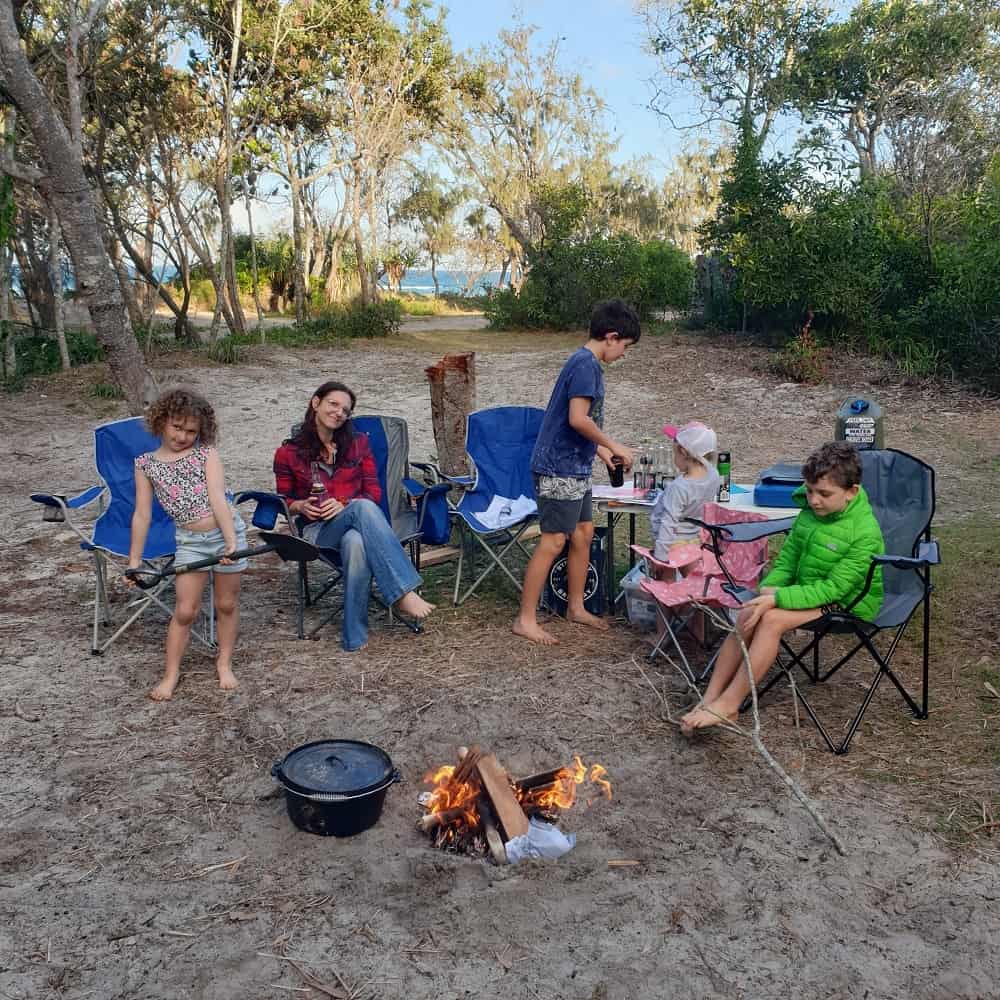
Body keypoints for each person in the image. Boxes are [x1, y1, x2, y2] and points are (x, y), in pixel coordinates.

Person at [681, 441, 884, 732]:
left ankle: (730, 704)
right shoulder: (810, 513)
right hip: (808, 591)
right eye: (811, 490)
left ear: (851, 492)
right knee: (749, 613)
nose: (813, 500)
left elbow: (835, 589)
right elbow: (788, 561)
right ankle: (710, 698)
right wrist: (770, 589)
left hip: (849, 603)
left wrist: (778, 600)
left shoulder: (864, 532)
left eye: (824, 494)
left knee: (772, 620)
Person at [512, 298, 640, 645]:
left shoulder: (587, 364)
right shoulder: (586, 365)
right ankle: (525, 619)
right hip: (558, 468)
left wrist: (600, 452)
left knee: (583, 533)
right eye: (625, 346)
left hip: (576, 465)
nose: (624, 354)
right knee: (554, 540)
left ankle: (576, 606)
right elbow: (577, 419)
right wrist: (614, 446)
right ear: (611, 337)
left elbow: (579, 425)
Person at [273, 381, 434, 652]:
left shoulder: (358, 444)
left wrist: (343, 503)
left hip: (357, 523)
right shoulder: (288, 453)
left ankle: (354, 637)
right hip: (317, 532)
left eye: (345, 410)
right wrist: (301, 506)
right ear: (316, 403)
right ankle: (402, 591)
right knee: (361, 510)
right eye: (333, 404)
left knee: (356, 540)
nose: (339, 412)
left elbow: (373, 493)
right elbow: (283, 502)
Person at [127, 388, 248, 701]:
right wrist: (134, 561)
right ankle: (171, 673)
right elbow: (142, 515)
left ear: (202, 431)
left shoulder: (206, 454)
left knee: (226, 603)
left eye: (191, 431)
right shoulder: (145, 464)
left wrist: (231, 542)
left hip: (224, 533)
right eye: (177, 427)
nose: (182, 436)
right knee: (185, 609)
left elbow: (218, 499)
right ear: (161, 421)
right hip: (190, 541)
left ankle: (223, 662)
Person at [649, 421, 721, 562]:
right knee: (692, 581)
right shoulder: (713, 475)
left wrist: (660, 557)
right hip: (694, 541)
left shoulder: (679, 487)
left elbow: (668, 522)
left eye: (674, 453)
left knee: (664, 582)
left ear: (682, 452)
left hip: (672, 545)